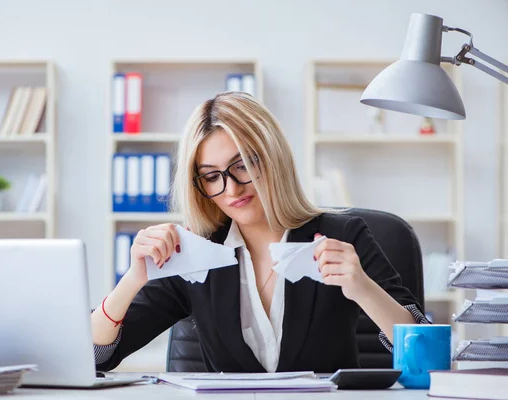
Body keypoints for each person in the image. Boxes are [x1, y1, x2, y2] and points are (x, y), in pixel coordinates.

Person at [91, 92, 427, 373]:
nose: (232, 188)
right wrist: (134, 278)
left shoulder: (342, 235)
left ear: (272, 157)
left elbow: (425, 353)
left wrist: (363, 288)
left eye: (243, 165)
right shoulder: (195, 252)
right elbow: (97, 356)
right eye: (211, 176)